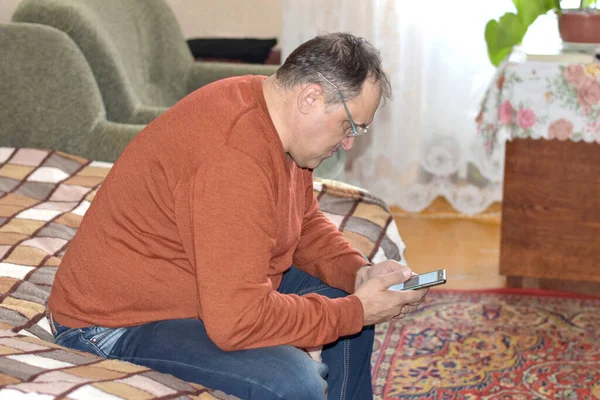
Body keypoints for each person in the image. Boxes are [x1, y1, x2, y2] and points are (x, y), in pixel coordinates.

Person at [47, 32, 429, 399]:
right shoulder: (234, 160)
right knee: (296, 382)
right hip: (115, 322)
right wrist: (356, 311)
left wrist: (357, 273)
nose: (348, 142)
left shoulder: (277, 123)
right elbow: (238, 321)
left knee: (346, 303)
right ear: (310, 97)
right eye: (350, 125)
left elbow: (304, 222)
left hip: (208, 285)